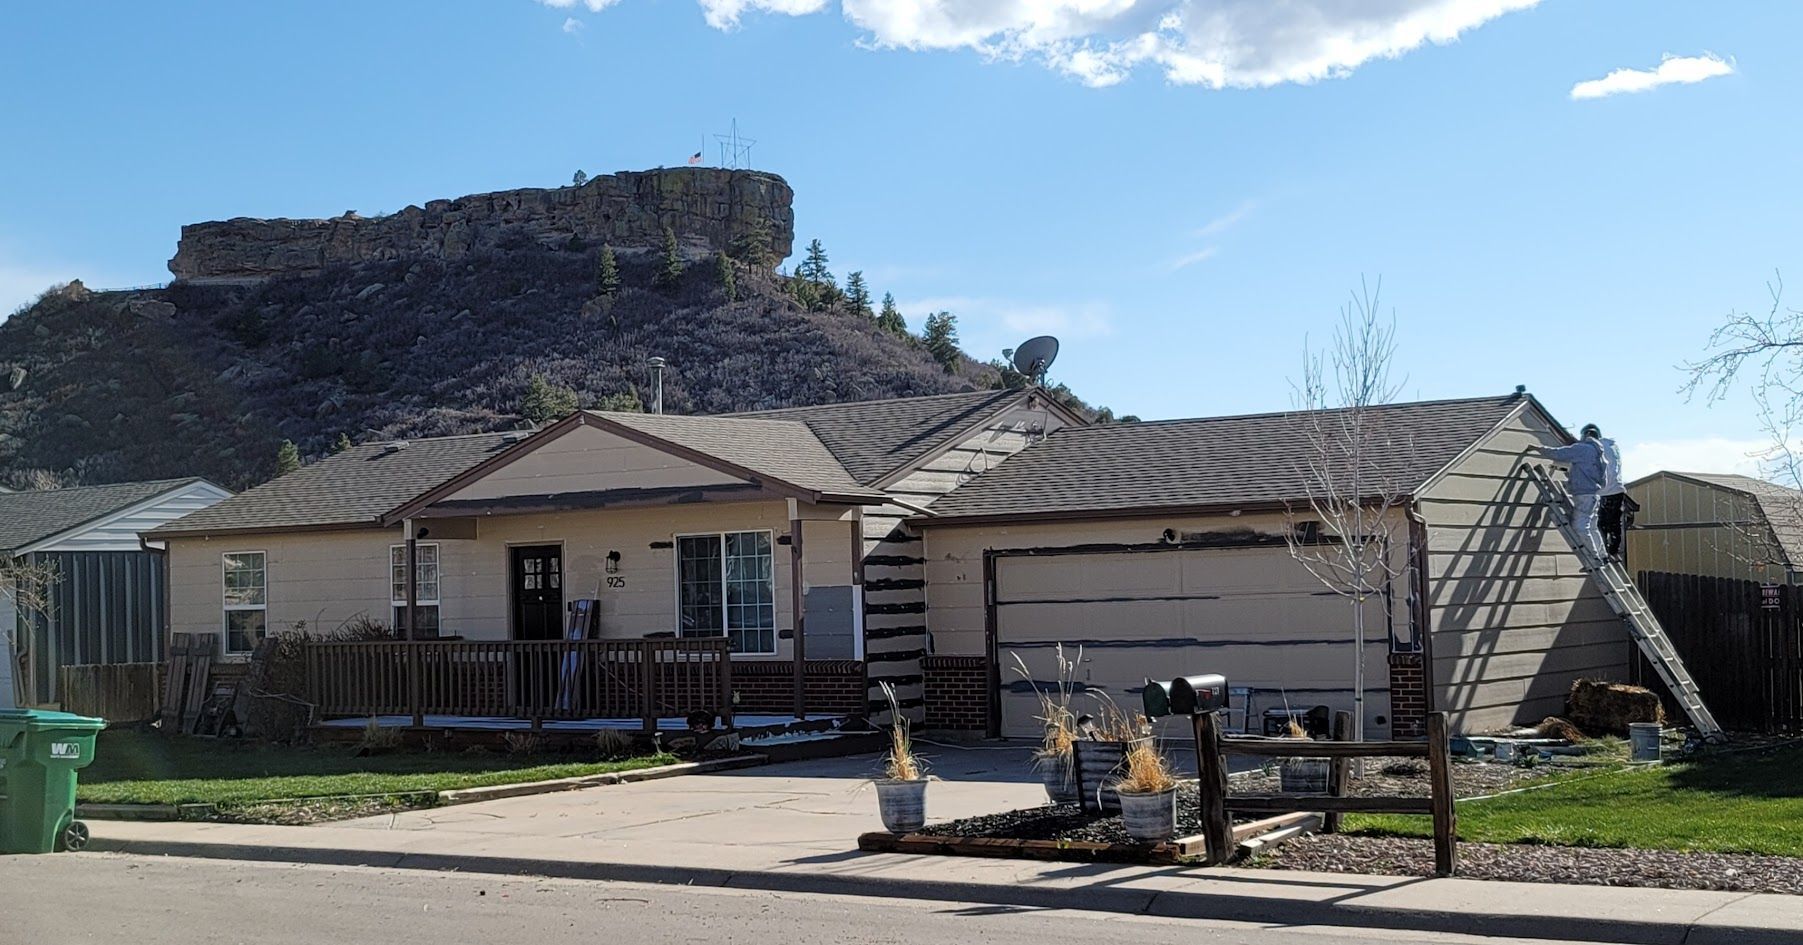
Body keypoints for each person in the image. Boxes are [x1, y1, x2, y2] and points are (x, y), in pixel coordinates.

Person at [1532, 427, 1611, 561]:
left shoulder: (1583, 448)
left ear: (1586, 435)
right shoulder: (1600, 455)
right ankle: (1603, 555)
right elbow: (1602, 479)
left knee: (1580, 527)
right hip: (1593, 495)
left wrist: (1538, 448)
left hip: (1584, 496)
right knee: (1592, 527)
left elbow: (1559, 454)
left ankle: (1594, 557)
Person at [1587, 423, 1630, 559]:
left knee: (1600, 525)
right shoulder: (1612, 446)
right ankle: (1614, 551)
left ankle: (1605, 553)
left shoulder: (1597, 447)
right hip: (1618, 490)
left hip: (1605, 491)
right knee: (1614, 523)